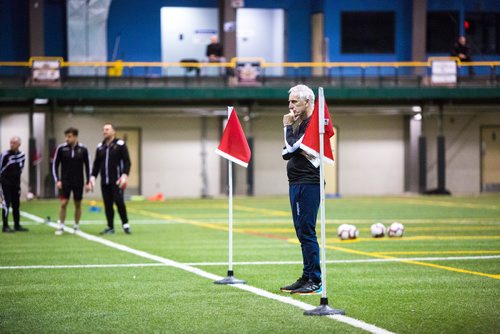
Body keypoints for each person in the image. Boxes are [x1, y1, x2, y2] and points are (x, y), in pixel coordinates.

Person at [279, 84, 322, 295]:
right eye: (289, 102)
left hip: (308, 182)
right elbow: (286, 152)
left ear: (308, 102)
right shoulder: (301, 123)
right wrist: (292, 143)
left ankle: (314, 279)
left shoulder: (312, 123)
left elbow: (292, 148)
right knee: (301, 232)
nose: (290, 106)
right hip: (296, 182)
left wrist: (287, 128)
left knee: (307, 232)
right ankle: (306, 276)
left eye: (294, 102)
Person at [89, 123, 131, 235]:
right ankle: (110, 226)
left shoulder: (120, 144)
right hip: (105, 181)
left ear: (113, 131)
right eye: (104, 129)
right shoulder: (100, 147)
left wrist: (124, 176)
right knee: (107, 204)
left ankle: (125, 224)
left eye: (107, 129)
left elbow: (127, 161)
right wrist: (92, 177)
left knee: (119, 201)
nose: (105, 131)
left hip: (116, 181)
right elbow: (96, 164)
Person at [52, 127, 91, 235]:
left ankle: (76, 226)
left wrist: (88, 182)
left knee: (78, 204)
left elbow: (88, 166)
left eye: (69, 137)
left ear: (75, 136)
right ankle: (61, 226)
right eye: (66, 136)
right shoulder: (61, 149)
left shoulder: (83, 149)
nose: (67, 139)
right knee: (63, 203)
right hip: (65, 181)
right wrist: (57, 180)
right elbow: (55, 165)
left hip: (78, 181)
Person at [0, 136, 28, 233]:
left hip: (16, 184)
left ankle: (17, 225)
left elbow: (21, 168)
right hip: (5, 183)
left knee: (16, 204)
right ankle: (5, 225)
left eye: (14, 143)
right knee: (6, 203)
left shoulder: (22, 155)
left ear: (19, 144)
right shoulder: (5, 155)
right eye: (11, 142)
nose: (12, 144)